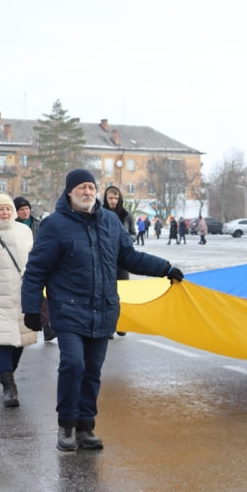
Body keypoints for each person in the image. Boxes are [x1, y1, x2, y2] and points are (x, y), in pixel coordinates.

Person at [21, 169, 185, 452]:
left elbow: (129, 257)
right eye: (81, 187)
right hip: (69, 310)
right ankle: (67, 426)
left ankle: (86, 427)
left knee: (93, 371)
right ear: (69, 192)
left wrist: (164, 268)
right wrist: (32, 308)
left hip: (103, 308)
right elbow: (36, 270)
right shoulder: (55, 225)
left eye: (90, 187)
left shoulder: (110, 221)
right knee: (73, 364)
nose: (87, 192)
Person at [0, 192, 37, 406]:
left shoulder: (25, 231)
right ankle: (9, 387)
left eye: (7, 208)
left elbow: (35, 262)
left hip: (23, 295)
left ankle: (8, 373)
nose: (4, 213)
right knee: (2, 341)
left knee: (19, 341)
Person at [14, 196, 56, 343]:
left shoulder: (39, 224)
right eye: (21, 209)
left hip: (39, 264)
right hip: (20, 266)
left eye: (27, 208)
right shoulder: (13, 227)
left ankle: (47, 328)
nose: (25, 212)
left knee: (43, 298)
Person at [102, 185, 136, 337]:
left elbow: (134, 234)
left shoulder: (126, 215)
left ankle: (121, 324)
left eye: (116, 198)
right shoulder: (99, 213)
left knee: (123, 293)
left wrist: (126, 240)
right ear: (106, 198)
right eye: (110, 198)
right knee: (106, 294)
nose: (113, 201)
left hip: (122, 260)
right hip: (104, 260)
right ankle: (108, 327)